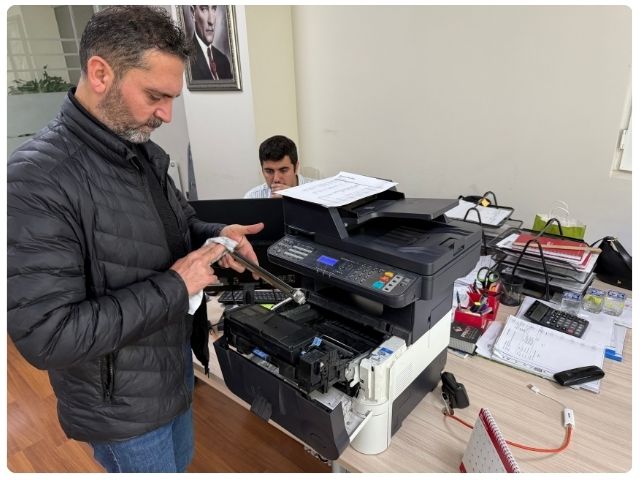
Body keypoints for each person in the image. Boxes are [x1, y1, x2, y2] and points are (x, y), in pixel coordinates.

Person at [7, 6, 262, 473]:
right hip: (120, 409)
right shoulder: (34, 180)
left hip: (171, 369)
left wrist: (218, 237)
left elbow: (177, 226)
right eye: (154, 96)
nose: (166, 114)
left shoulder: (140, 150)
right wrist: (177, 285)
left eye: (172, 98)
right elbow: (47, 337)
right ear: (100, 73)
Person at [244, 135, 315, 198]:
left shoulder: (317, 192)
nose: (276, 179)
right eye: (269, 171)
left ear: (296, 167)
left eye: (283, 170)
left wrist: (293, 199)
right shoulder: (251, 197)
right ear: (262, 170)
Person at [189, 5, 232, 80]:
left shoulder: (224, 60)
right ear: (193, 13)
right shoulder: (186, 60)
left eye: (214, 9)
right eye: (204, 9)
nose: (211, 21)